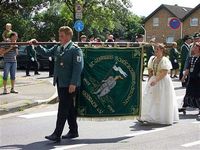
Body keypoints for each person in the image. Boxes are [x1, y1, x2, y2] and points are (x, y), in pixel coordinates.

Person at [29, 26, 84, 142]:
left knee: (63, 108)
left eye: (62, 36)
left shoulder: (75, 49)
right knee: (68, 108)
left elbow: (78, 68)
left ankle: (57, 134)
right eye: (59, 36)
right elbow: (46, 52)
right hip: (60, 82)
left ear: (68, 36)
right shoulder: (58, 48)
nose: (59, 38)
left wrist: (73, 83)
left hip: (70, 84)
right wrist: (37, 45)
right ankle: (74, 131)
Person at [138, 43, 179, 125]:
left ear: (162, 50)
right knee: (150, 98)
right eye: (155, 49)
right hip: (154, 79)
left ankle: (162, 117)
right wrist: (150, 78)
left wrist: (156, 80)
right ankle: (148, 116)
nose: (155, 51)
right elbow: (150, 70)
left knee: (162, 98)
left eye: (157, 49)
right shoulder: (152, 59)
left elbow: (165, 72)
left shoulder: (165, 60)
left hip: (162, 81)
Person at [179, 43, 200, 119]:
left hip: (198, 79)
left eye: (195, 47)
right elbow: (188, 68)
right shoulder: (192, 58)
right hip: (191, 78)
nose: (193, 48)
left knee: (198, 93)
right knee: (188, 92)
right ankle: (184, 107)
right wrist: (184, 77)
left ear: (198, 48)